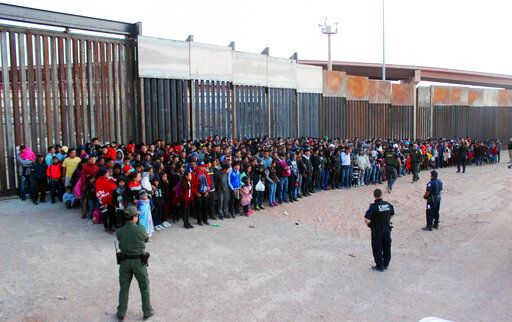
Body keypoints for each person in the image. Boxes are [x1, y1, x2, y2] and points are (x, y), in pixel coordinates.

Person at [116, 206, 154, 321]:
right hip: (139, 262)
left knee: (124, 287)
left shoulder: (120, 231)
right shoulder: (141, 229)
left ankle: (121, 312)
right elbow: (146, 239)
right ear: (135, 217)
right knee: (144, 287)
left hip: (124, 262)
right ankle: (147, 311)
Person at [364, 188, 394, 272]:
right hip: (387, 228)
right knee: (387, 246)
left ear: (374, 196)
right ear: (381, 195)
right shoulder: (388, 205)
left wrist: (371, 225)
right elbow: (392, 213)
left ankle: (379, 266)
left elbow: (366, 219)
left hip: (377, 229)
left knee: (377, 247)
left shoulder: (373, 207)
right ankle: (386, 264)